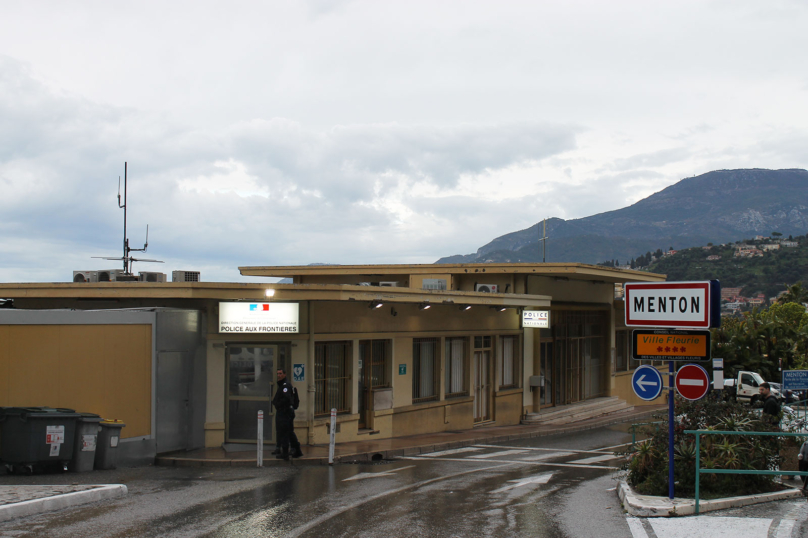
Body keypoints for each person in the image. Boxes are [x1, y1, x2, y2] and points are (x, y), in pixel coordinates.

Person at [271, 368, 303, 460]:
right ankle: (297, 450)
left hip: (284, 412)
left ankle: (285, 453)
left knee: (284, 432)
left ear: (285, 374)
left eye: (280, 373)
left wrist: (277, 404)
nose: (279, 375)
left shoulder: (285, 386)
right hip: (285, 411)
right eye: (277, 373)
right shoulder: (283, 385)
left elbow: (286, 399)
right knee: (289, 432)